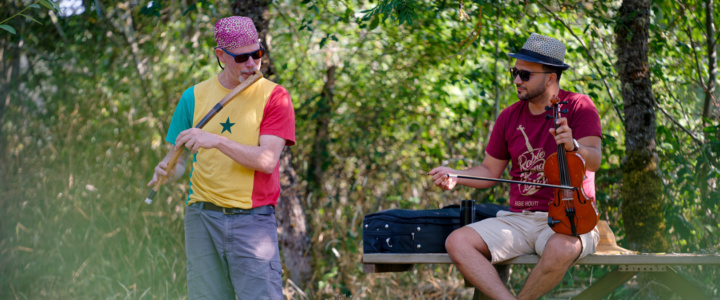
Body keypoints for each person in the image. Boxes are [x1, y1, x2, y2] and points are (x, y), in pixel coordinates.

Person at [429, 33, 602, 300]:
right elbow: (489, 172)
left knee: (563, 247)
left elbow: (595, 159)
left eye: (524, 74)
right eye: (515, 72)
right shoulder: (509, 117)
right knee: (458, 241)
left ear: (550, 78)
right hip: (519, 219)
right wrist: (456, 175)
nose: (516, 80)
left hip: (570, 216)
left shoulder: (579, 106)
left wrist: (574, 146)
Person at [147, 16, 295, 300]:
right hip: (202, 218)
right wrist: (167, 171)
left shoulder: (275, 97)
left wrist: (216, 140)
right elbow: (177, 162)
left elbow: (267, 161)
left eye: (257, 54)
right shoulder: (193, 97)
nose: (252, 63)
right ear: (220, 55)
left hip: (252, 220)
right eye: (242, 57)